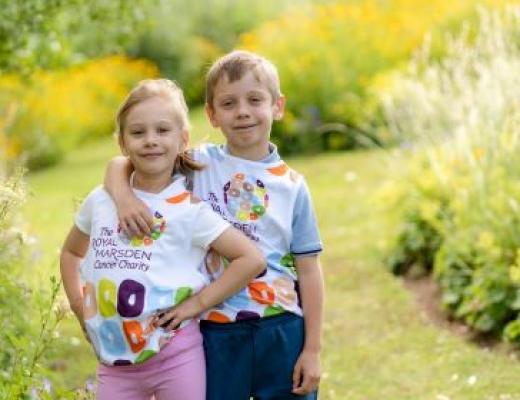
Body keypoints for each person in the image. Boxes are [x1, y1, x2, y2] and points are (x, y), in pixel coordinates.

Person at [105, 51, 324, 399]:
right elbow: (122, 162)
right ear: (212, 114)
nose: (242, 111)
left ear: (277, 106)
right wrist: (124, 197)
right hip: (214, 328)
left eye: (255, 100)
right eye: (228, 103)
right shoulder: (197, 164)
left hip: (281, 329)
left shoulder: (294, 185)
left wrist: (312, 350)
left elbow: (309, 270)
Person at [60, 78, 265, 400]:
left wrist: (196, 305)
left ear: (183, 138)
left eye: (162, 130)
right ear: (123, 143)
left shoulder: (189, 210)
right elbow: (72, 253)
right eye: (138, 133)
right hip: (114, 361)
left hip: (176, 353)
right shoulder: (100, 200)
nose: (150, 141)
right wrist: (76, 304)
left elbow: (250, 259)